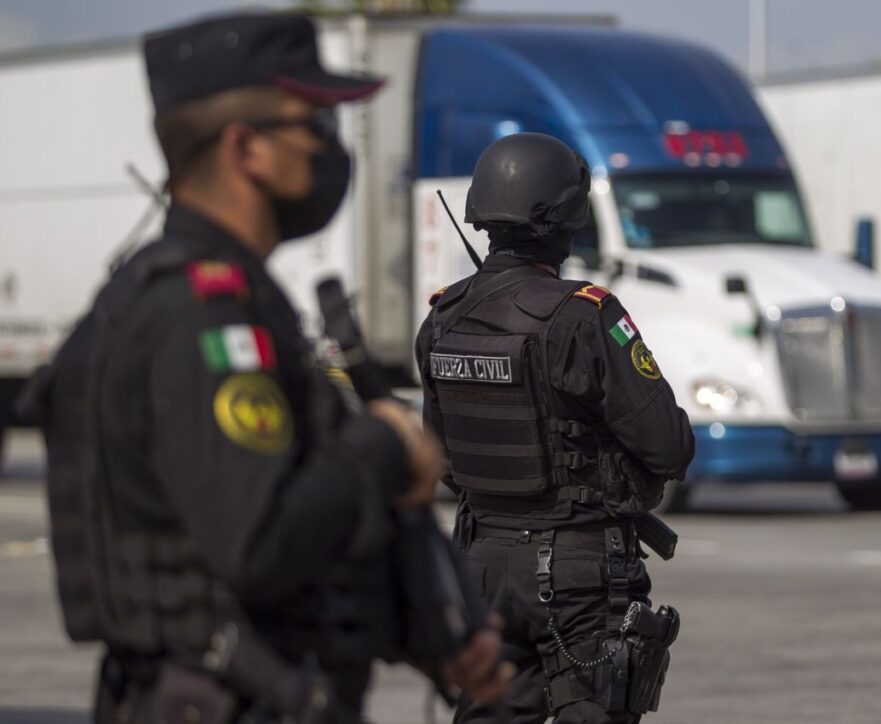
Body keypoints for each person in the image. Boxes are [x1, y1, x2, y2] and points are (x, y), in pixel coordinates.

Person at [31, 12, 508, 723]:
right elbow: (260, 541)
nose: (329, 149)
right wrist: (382, 445)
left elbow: (256, 561)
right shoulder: (202, 316)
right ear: (245, 147)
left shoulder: (194, 295)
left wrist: (426, 629)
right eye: (313, 125)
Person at [415, 132, 696, 724]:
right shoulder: (586, 316)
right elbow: (669, 446)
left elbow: (440, 460)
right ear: (565, 220)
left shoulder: (441, 318)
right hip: (578, 574)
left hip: (482, 565)